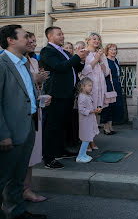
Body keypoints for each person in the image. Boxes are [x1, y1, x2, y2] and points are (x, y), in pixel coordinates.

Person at [0, 25, 47, 219]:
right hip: (10, 132)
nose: (30, 40)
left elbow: (25, 94)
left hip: (28, 127)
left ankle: (16, 213)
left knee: (18, 177)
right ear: (11, 40)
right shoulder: (2, 64)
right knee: (3, 178)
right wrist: (3, 134)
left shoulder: (25, 63)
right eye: (25, 36)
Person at [40, 26, 87, 169]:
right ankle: (48, 158)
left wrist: (81, 60)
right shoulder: (47, 51)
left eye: (62, 34)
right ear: (50, 36)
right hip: (56, 94)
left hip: (67, 94)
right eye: (59, 34)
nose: (62, 36)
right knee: (52, 126)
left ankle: (60, 150)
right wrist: (76, 57)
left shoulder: (64, 52)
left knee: (62, 125)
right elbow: (60, 67)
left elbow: (75, 68)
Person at [23, 32, 49, 203]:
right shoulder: (10, 61)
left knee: (31, 155)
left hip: (35, 110)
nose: (33, 43)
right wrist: (35, 78)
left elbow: (34, 85)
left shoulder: (33, 60)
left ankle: (27, 189)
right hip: (21, 114)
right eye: (29, 40)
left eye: (34, 41)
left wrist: (40, 82)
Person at [80, 32, 110, 151]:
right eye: (94, 39)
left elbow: (106, 72)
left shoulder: (101, 54)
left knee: (96, 113)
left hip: (99, 86)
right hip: (88, 87)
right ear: (88, 40)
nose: (96, 41)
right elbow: (83, 71)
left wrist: (101, 59)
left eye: (98, 39)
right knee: (88, 113)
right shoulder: (84, 52)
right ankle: (88, 142)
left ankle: (91, 140)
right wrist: (95, 60)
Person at [101, 44, 125, 134]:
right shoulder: (105, 60)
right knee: (108, 106)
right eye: (111, 50)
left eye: (114, 49)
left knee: (114, 105)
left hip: (116, 85)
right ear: (107, 50)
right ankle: (106, 128)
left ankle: (111, 126)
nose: (113, 51)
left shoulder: (116, 60)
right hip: (108, 85)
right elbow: (104, 73)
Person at [76, 77, 101, 163]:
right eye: (89, 85)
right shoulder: (82, 97)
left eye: (91, 86)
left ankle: (83, 154)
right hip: (85, 121)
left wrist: (95, 110)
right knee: (86, 138)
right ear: (83, 86)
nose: (91, 87)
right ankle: (80, 156)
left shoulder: (87, 96)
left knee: (88, 137)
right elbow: (82, 110)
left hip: (89, 120)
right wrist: (92, 111)